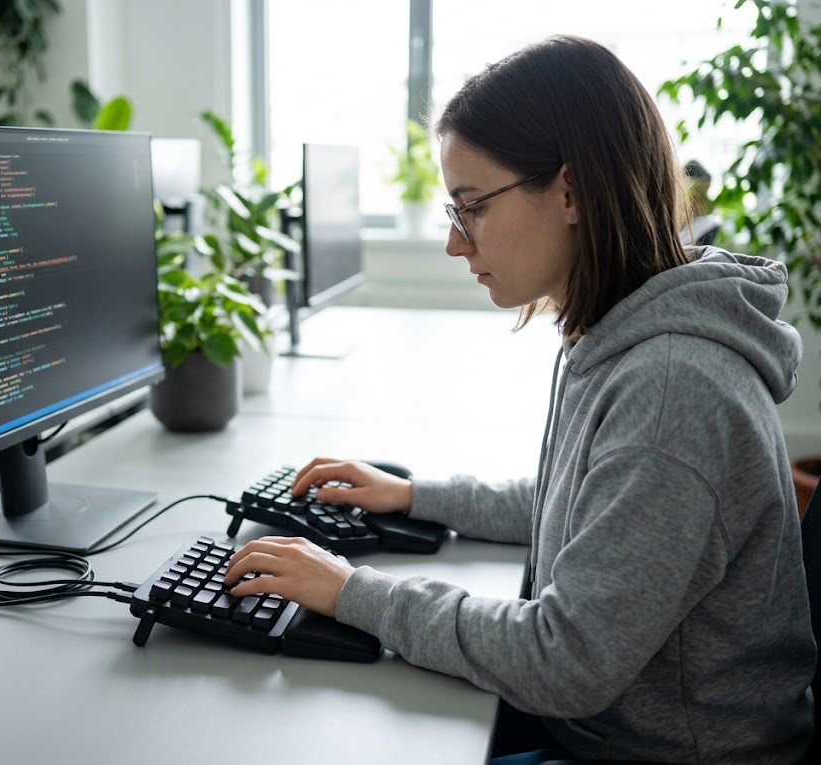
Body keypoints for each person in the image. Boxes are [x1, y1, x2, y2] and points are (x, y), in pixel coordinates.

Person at [223, 35, 815, 764]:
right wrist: (413, 494)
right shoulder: (624, 330)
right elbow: (581, 506)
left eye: (470, 207)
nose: (453, 242)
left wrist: (351, 591)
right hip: (611, 728)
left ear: (569, 192)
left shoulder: (671, 388)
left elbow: (562, 661)